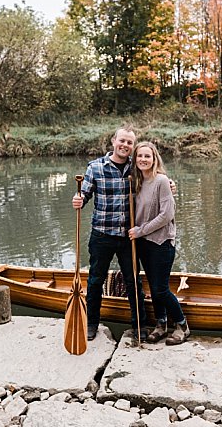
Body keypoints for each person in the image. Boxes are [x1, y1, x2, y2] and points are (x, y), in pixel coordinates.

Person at [72, 127, 149, 341]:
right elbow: (84, 194)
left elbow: (155, 183)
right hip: (102, 235)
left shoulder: (137, 168)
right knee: (95, 280)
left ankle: (139, 326)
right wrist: (78, 200)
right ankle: (91, 324)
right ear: (114, 141)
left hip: (128, 237)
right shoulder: (95, 167)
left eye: (129, 143)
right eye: (122, 141)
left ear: (133, 146)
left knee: (133, 281)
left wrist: (170, 184)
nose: (125, 145)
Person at [128, 141, 190, 345]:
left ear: (154, 159)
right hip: (144, 243)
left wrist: (141, 230)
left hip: (162, 242)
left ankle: (182, 325)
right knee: (154, 288)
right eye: (139, 156)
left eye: (147, 156)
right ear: (135, 159)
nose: (143, 160)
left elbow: (167, 215)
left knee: (161, 289)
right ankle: (161, 325)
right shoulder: (137, 181)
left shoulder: (162, 181)